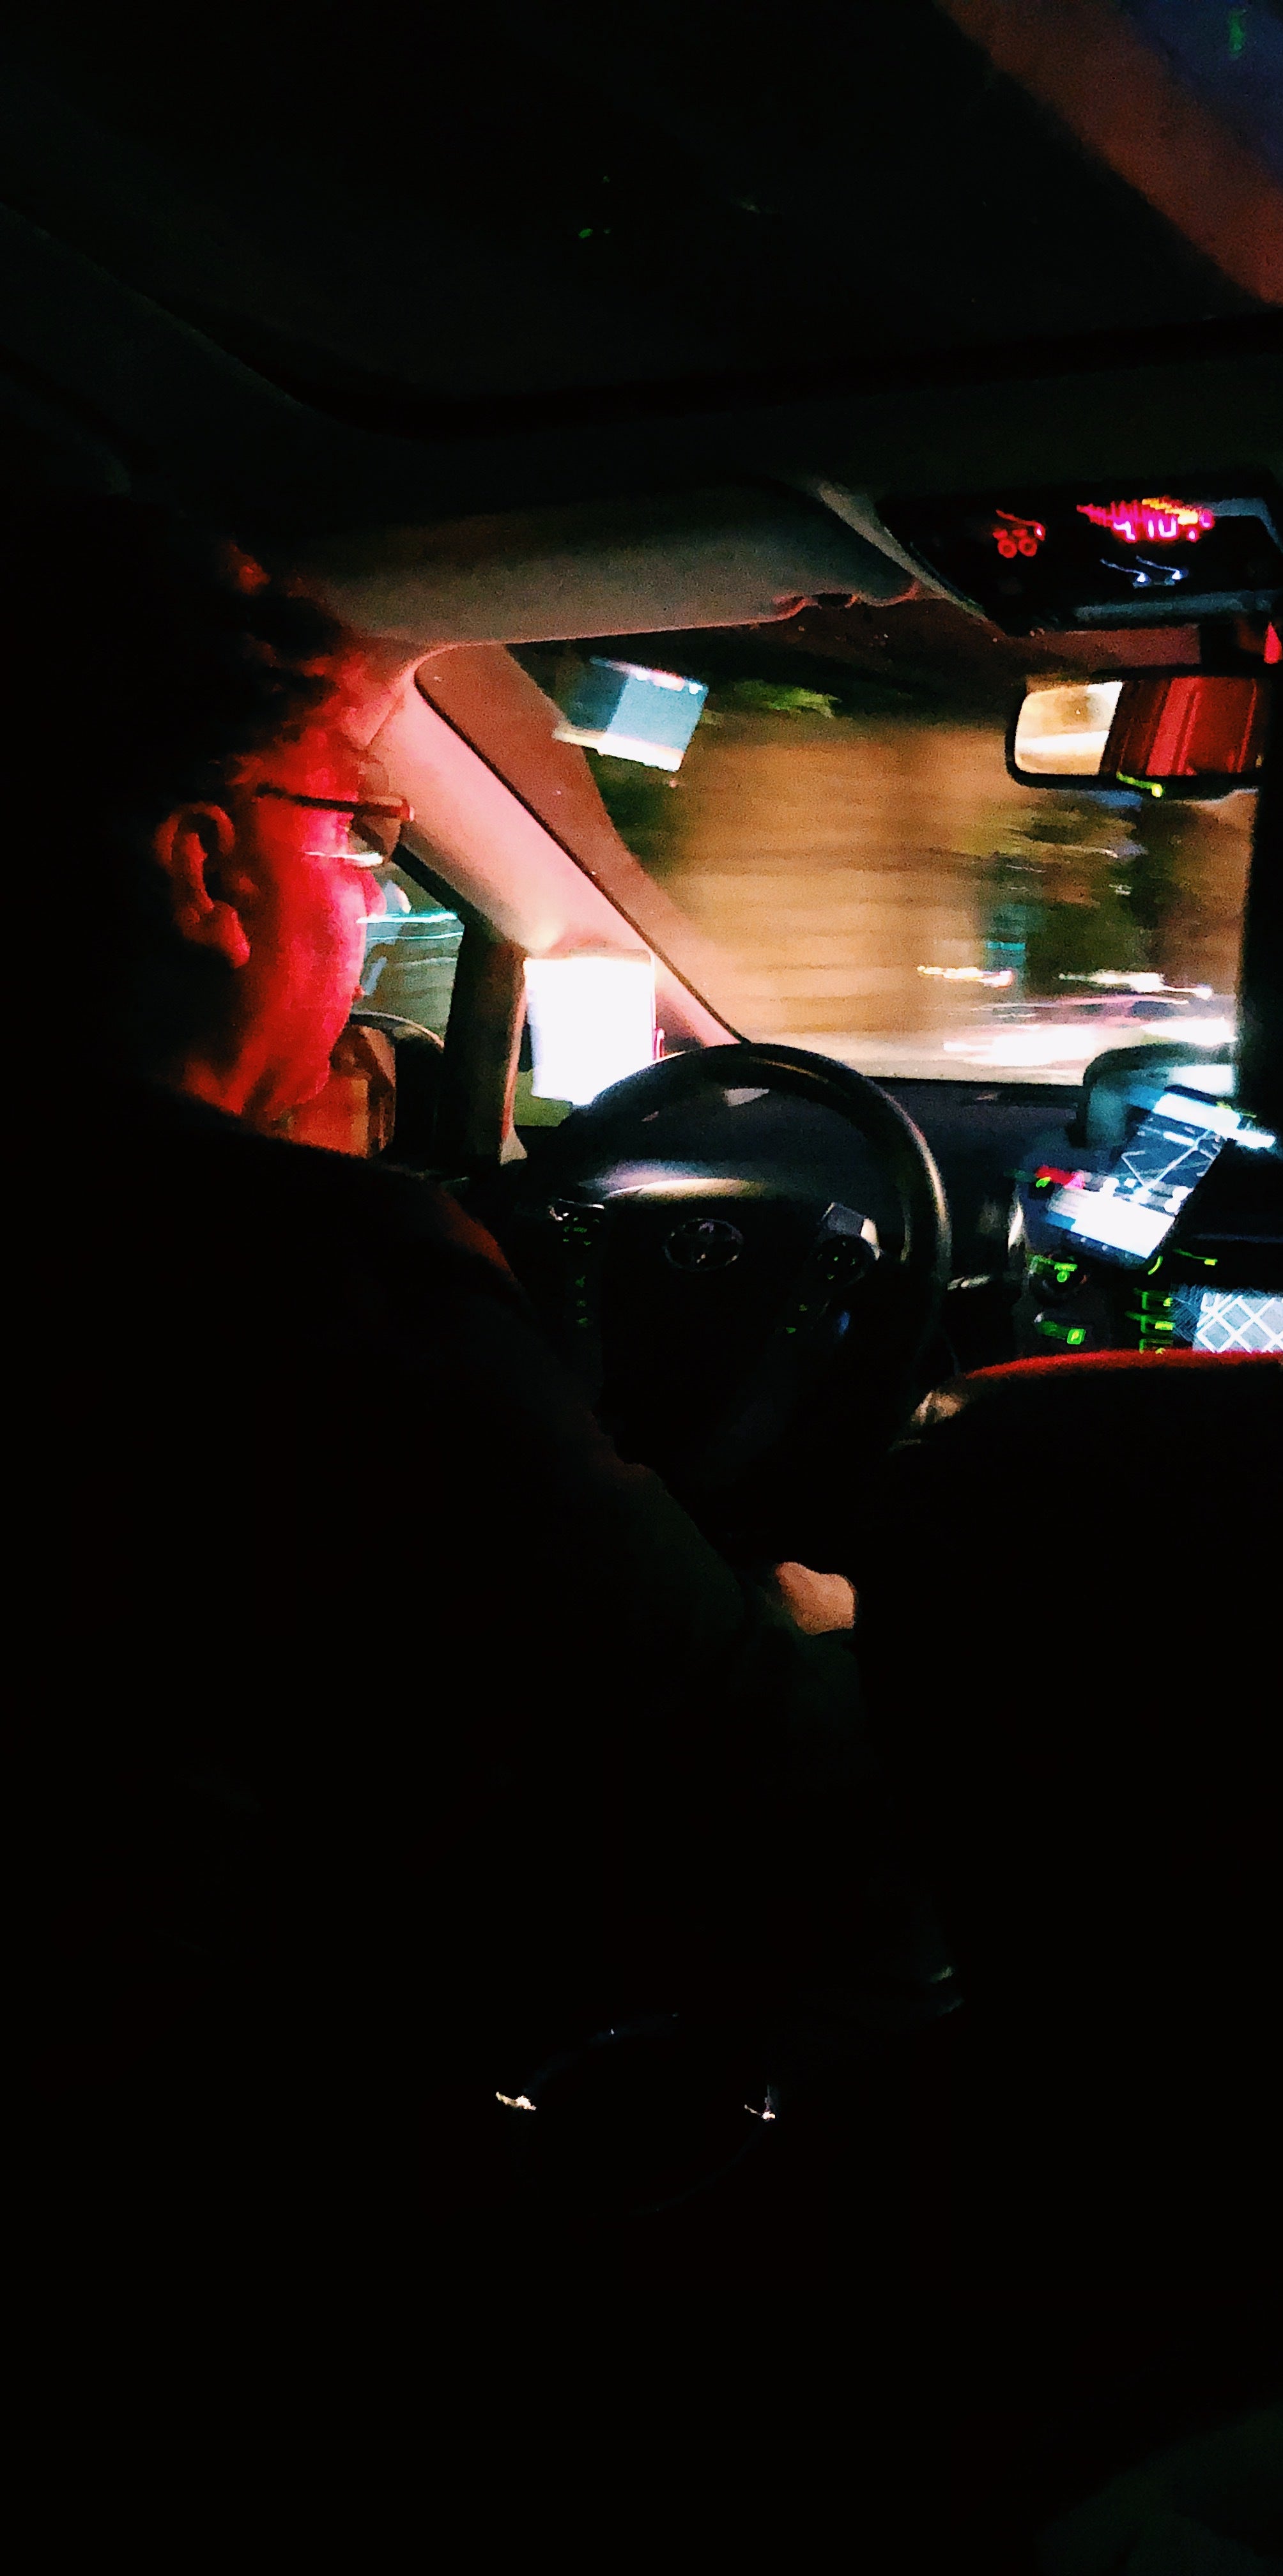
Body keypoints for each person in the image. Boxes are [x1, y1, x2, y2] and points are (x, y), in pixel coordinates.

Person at [12, 496, 935, 2271]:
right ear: (206, 872)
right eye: (357, 835)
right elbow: (728, 1751)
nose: (370, 897)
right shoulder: (310, 1275)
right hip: (220, 2151)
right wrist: (818, 1617)